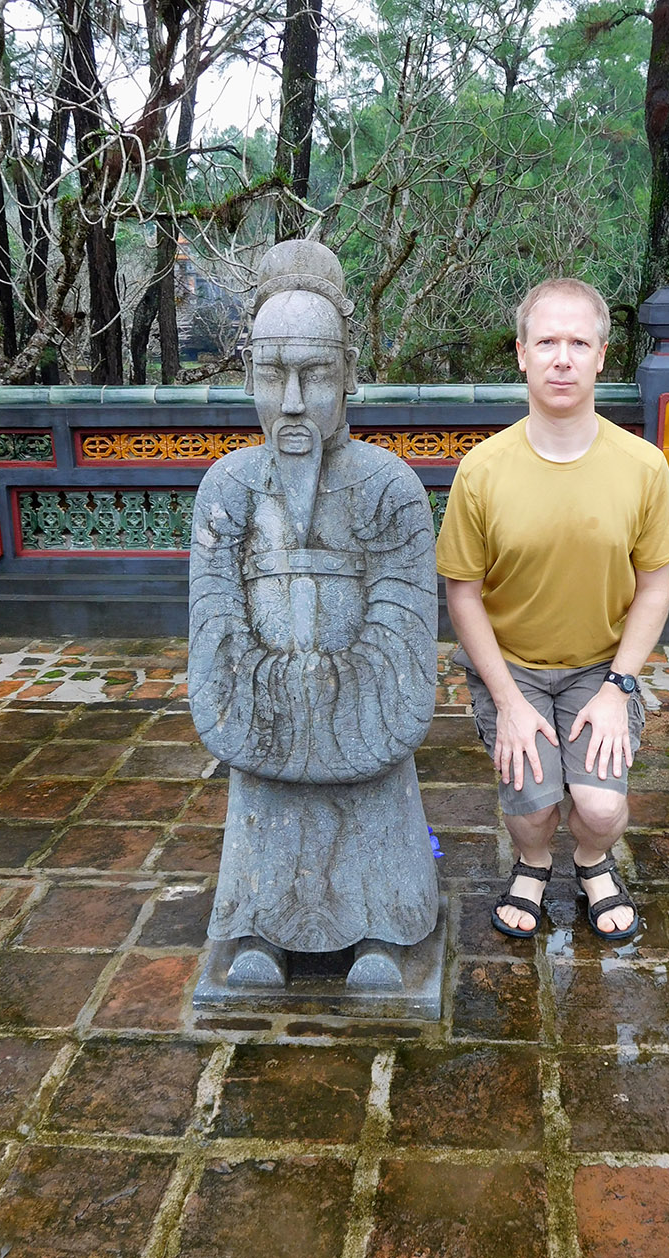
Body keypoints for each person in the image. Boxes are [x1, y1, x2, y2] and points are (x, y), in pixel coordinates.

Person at [188, 240, 438, 986]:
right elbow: (215, 631)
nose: (293, 401)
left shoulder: (392, 490)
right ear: (249, 376)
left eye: (315, 373)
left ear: (349, 374)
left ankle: (381, 929)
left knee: (373, 786)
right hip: (265, 728)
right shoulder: (225, 490)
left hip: (366, 727)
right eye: (273, 374)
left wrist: (320, 693)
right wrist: (276, 695)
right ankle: (258, 925)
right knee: (263, 794)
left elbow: (401, 640)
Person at [435, 277, 669, 941]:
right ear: (522, 353)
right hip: (510, 667)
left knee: (601, 808)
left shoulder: (642, 466)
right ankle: (535, 859)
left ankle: (595, 858)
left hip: (599, 667)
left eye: (579, 341)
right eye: (547, 341)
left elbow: (655, 585)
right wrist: (507, 699)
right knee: (533, 806)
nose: (563, 357)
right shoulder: (482, 471)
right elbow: (463, 591)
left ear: (603, 356)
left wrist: (618, 685)